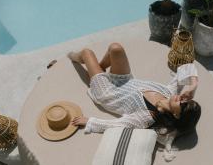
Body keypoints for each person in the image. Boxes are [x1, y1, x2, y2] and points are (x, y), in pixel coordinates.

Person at [68, 43, 201, 137]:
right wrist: (193, 86)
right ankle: (98, 70)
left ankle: (72, 56)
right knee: (116, 48)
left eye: (183, 105)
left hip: (108, 92)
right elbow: (187, 66)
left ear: (176, 115)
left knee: (87, 52)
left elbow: (116, 125)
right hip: (125, 80)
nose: (182, 99)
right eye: (187, 100)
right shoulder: (169, 92)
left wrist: (90, 122)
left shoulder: (147, 117)